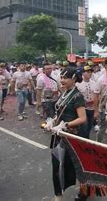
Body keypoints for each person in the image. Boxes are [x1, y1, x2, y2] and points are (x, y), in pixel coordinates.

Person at [43, 66, 87, 201]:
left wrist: (66, 125)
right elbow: (59, 113)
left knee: (77, 166)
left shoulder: (77, 95)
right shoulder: (64, 93)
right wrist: (53, 121)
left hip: (72, 137)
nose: (62, 80)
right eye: (61, 77)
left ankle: (84, 190)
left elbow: (82, 118)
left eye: (65, 77)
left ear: (73, 79)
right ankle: (58, 197)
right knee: (56, 165)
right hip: (59, 135)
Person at [75, 66, 97, 138]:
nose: (90, 74)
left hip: (92, 108)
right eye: (87, 72)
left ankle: (87, 137)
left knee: (90, 125)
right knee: (84, 125)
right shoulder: (78, 84)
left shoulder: (94, 83)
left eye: (90, 72)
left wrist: (96, 110)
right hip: (83, 108)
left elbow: (97, 96)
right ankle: (84, 138)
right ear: (83, 73)